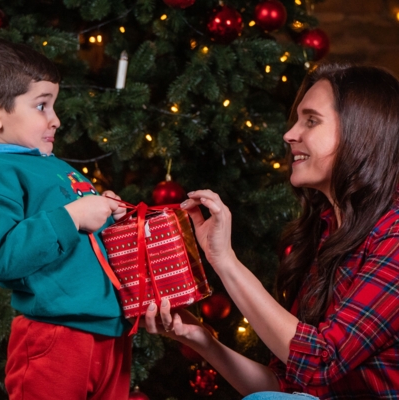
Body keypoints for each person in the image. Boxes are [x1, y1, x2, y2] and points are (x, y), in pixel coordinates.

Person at [143, 63, 399, 400]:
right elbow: (289, 386)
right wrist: (202, 339)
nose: (289, 134)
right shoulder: (325, 233)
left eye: (311, 120)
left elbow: (320, 360)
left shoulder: (393, 235)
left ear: (361, 132)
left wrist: (227, 261)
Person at [0, 39, 133, 399]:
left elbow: (85, 237)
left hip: (110, 333)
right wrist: (73, 216)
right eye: (42, 105)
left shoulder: (54, 166)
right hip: (55, 334)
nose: (55, 119)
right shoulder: (4, 171)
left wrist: (107, 213)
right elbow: (4, 256)